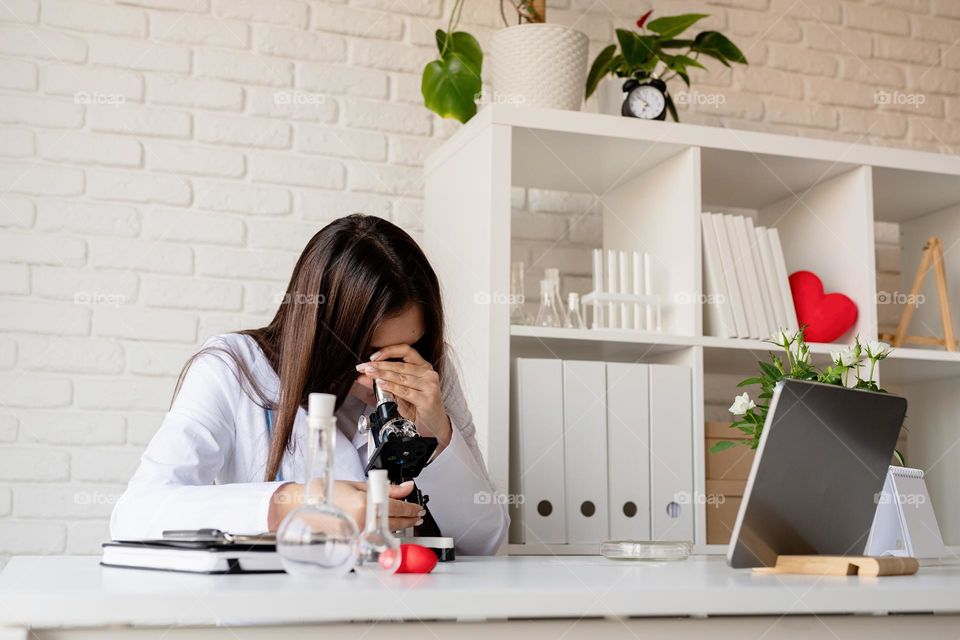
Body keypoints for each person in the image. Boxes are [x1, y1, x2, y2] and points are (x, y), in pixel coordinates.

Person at [110, 214, 508, 555]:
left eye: (403, 352)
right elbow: (134, 515)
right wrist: (295, 501)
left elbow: (484, 541)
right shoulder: (234, 366)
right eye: (368, 351)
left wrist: (437, 436)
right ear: (322, 332)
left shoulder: (426, 377)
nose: (385, 374)